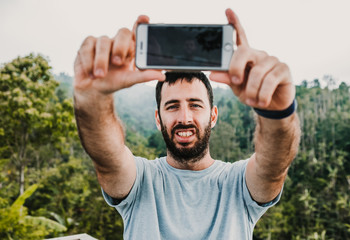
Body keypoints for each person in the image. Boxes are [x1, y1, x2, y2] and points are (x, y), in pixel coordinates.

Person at [73, 8, 301, 240]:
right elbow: (106, 157)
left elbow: (274, 166)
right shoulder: (140, 180)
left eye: (195, 105)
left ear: (213, 116)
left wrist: (278, 113)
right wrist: (93, 99)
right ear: (157, 117)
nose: (184, 118)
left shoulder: (237, 183)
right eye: (172, 106)